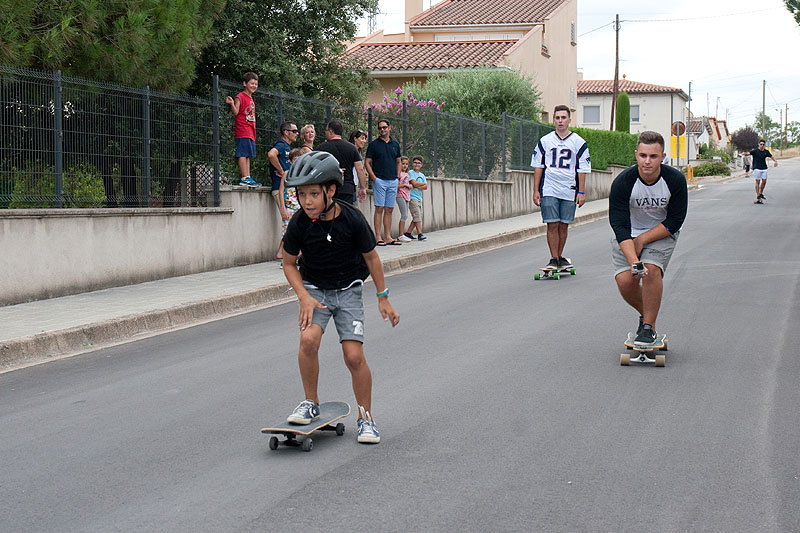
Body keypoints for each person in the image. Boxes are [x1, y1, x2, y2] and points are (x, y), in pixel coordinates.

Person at [281, 151, 400, 444]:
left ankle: (366, 418)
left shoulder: (352, 219)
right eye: (301, 194)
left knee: (354, 356)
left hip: (348, 290)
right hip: (315, 291)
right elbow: (288, 263)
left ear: (331, 190)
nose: (306, 201)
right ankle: (310, 402)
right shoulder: (298, 223)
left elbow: (372, 258)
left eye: (313, 194)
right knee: (308, 341)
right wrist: (303, 297)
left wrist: (382, 297)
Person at [609, 131, 688, 346]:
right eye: (643, 155)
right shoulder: (623, 183)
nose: (647, 161)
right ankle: (648, 315)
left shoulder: (675, 180)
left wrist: (643, 239)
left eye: (653, 156)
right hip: (628, 235)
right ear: (636, 155)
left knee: (651, 270)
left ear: (663, 156)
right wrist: (634, 261)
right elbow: (619, 226)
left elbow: (675, 221)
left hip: (661, 232)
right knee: (626, 281)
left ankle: (647, 328)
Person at [531, 104, 590, 271]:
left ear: (569, 120)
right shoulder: (545, 141)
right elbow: (538, 166)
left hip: (569, 189)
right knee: (552, 223)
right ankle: (554, 258)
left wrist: (581, 192)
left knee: (563, 224)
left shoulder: (579, 142)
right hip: (549, 187)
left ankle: (560, 256)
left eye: (563, 118)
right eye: (557, 118)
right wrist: (536, 190)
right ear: (554, 120)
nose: (560, 121)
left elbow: (582, 169)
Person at [365, 119, 402, 246]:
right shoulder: (374, 145)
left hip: (393, 180)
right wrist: (374, 178)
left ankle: (388, 236)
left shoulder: (395, 144)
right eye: (380, 128)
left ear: (389, 128)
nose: (382, 130)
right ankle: (378, 237)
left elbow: (399, 161)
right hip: (379, 180)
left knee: (389, 209)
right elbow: (367, 162)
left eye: (384, 127)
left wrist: (398, 177)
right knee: (379, 208)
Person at [316, 120, 367, 205]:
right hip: (347, 187)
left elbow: (316, 167)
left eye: (326, 130)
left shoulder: (321, 148)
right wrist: (362, 188)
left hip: (328, 187)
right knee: (345, 214)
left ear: (331, 131)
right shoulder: (352, 148)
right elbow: (360, 169)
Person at [224, 72, 261, 187]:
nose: (254, 86)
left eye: (256, 84)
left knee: (248, 155)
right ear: (245, 83)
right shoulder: (240, 96)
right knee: (243, 153)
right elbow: (236, 112)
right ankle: (244, 177)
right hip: (243, 129)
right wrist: (231, 103)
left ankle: (248, 177)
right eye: (252, 83)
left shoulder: (251, 98)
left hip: (251, 130)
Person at [268, 121, 299, 259]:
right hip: (283, 192)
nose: (297, 134)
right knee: (290, 223)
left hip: (290, 195)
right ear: (286, 132)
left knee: (291, 223)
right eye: (294, 131)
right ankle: (284, 253)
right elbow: (271, 154)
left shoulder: (287, 147)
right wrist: (281, 170)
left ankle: (282, 252)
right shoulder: (281, 145)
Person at [742, 140, 777, 204]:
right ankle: (758, 195)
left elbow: (771, 156)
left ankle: (761, 193)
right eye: (761, 144)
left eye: (763, 144)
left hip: (764, 168)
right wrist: (744, 153)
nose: (762, 145)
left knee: (764, 181)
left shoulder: (766, 151)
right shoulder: (755, 151)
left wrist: (775, 161)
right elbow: (748, 153)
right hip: (757, 168)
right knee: (757, 181)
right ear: (758, 144)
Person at [407, 156, 427, 241]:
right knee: (417, 215)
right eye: (415, 162)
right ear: (412, 164)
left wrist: (418, 184)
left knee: (417, 217)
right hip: (412, 197)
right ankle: (420, 234)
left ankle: (408, 233)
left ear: (421, 165)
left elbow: (426, 187)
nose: (416, 164)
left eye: (418, 163)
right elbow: (413, 183)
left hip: (419, 198)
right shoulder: (411, 172)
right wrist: (421, 184)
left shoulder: (422, 175)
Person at [396, 157, 413, 241]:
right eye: (403, 164)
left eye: (406, 164)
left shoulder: (407, 174)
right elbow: (396, 186)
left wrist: (409, 186)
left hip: (407, 195)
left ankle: (401, 234)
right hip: (400, 195)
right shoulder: (398, 174)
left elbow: (409, 184)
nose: (405, 165)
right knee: (404, 215)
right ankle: (400, 235)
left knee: (405, 215)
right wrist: (404, 185)